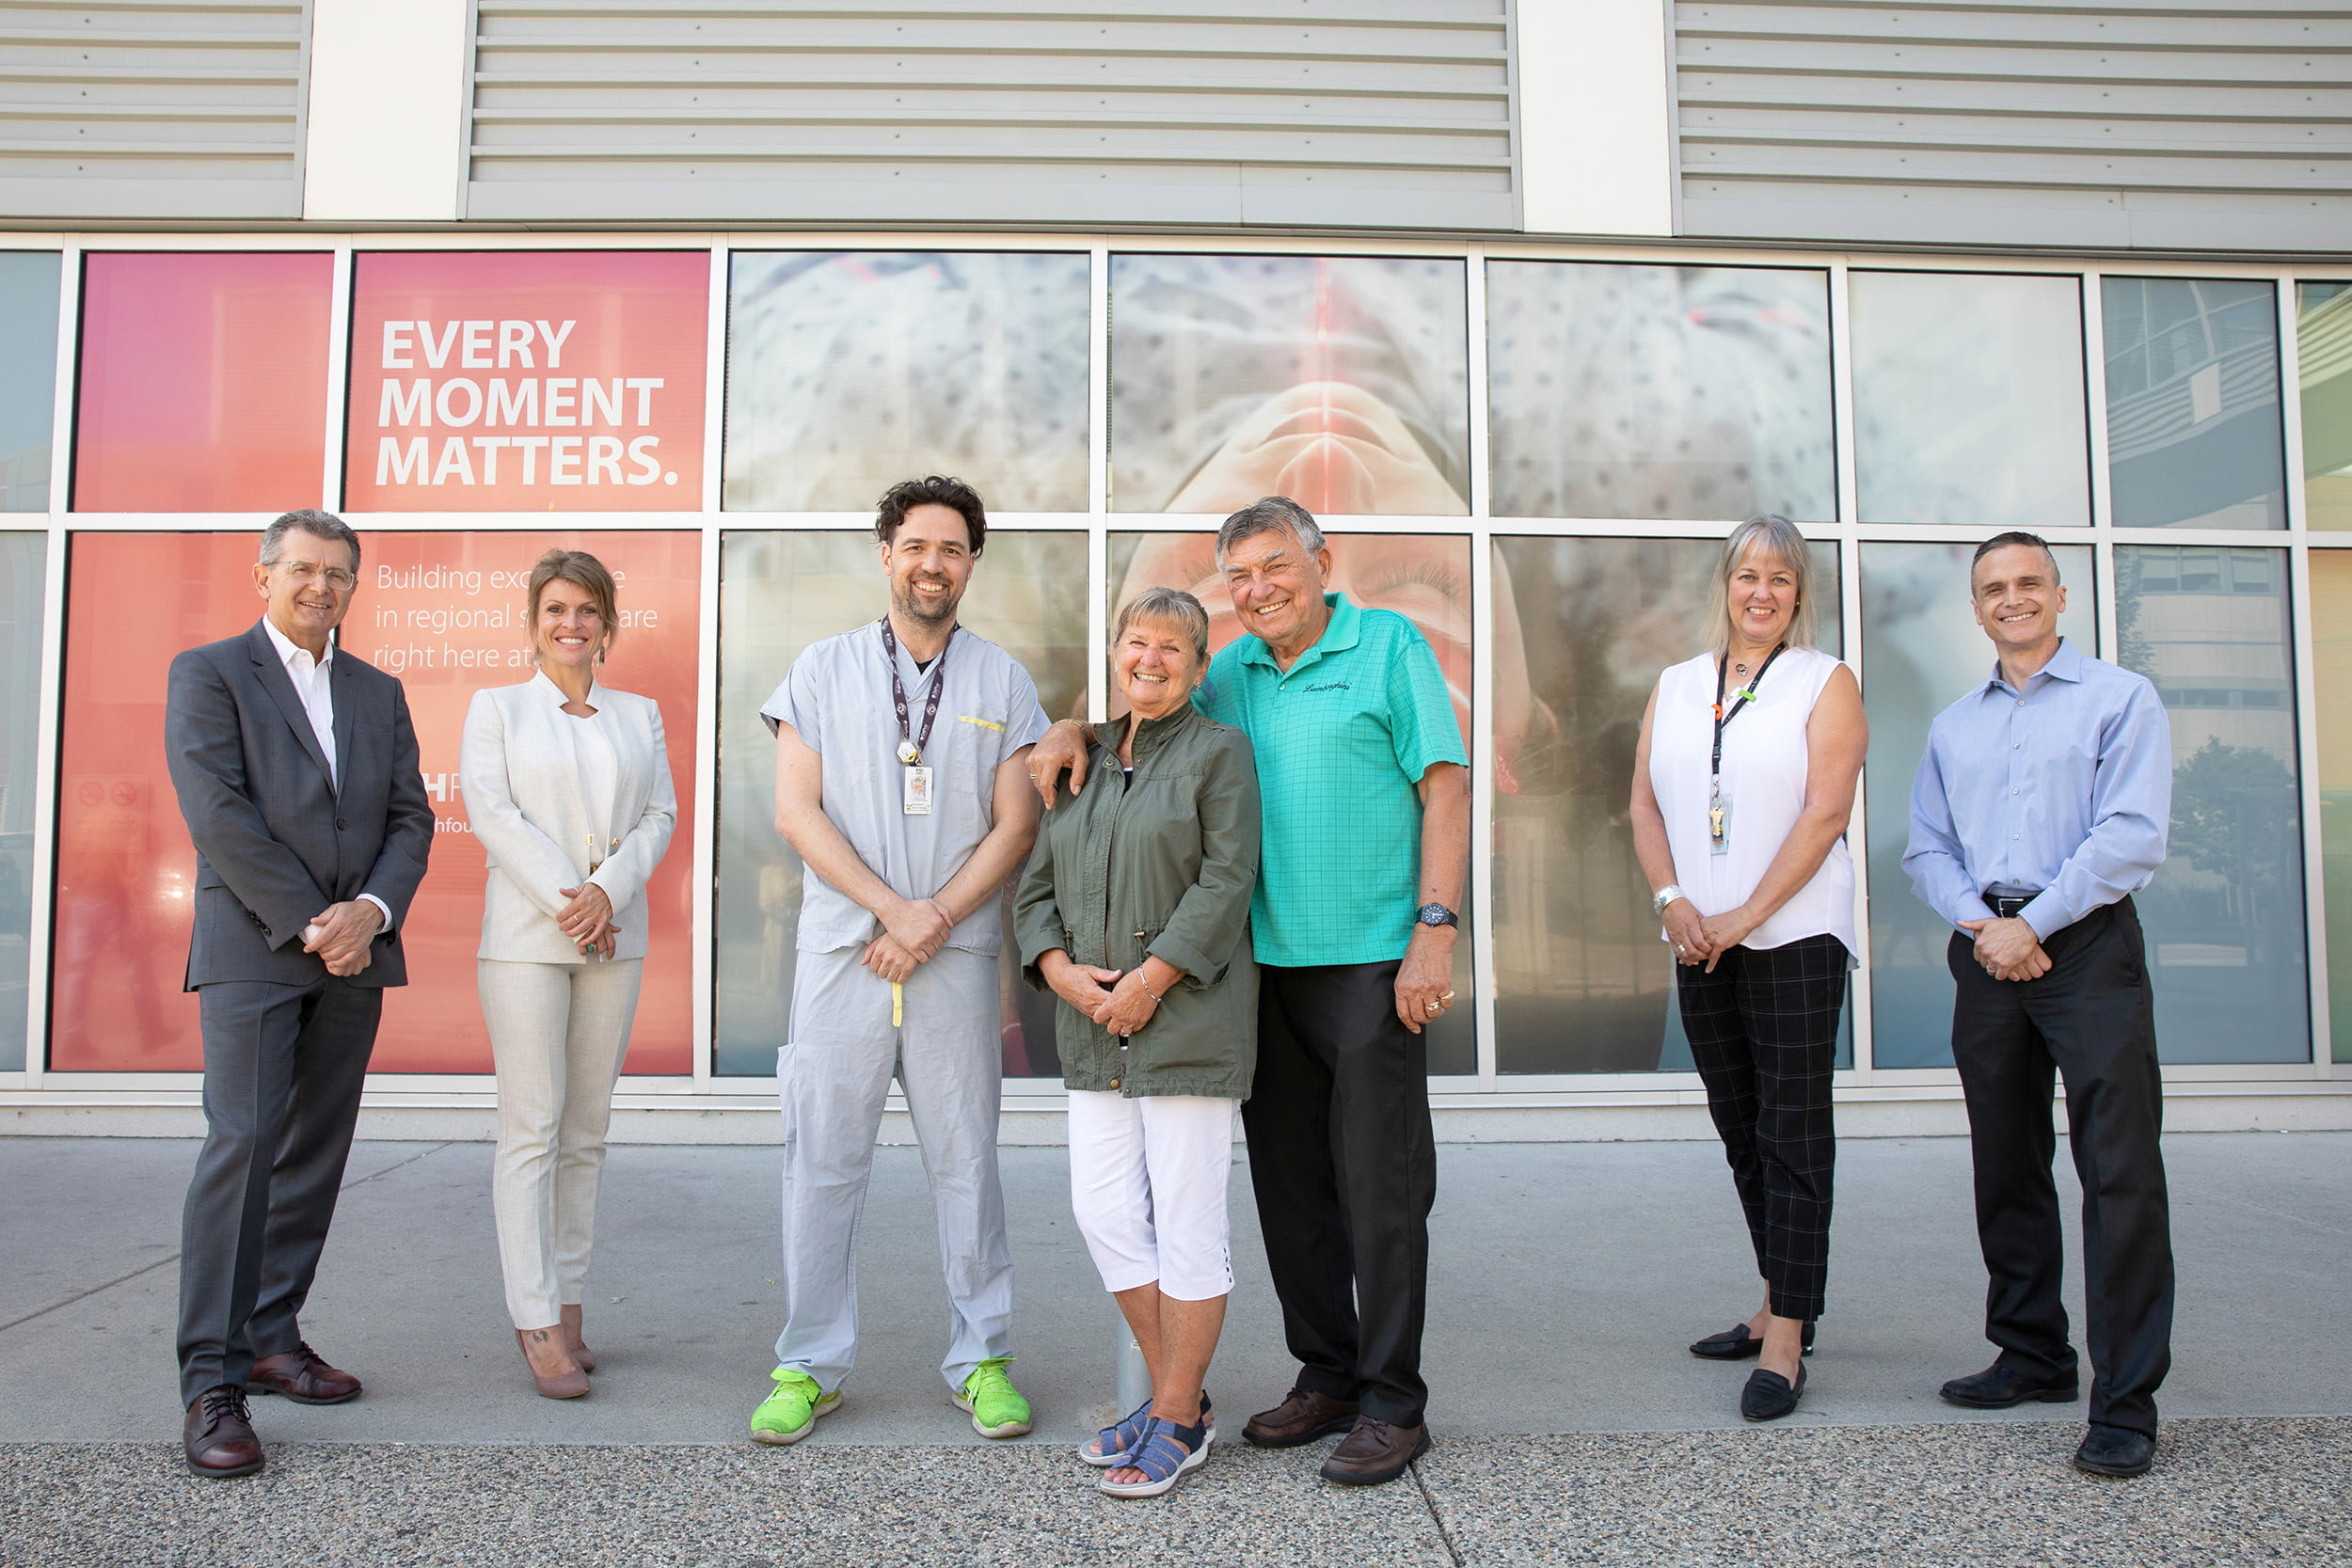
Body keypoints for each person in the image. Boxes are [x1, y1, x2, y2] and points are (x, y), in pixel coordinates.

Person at [1029, 496, 1470, 1487]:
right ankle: (1329, 1372)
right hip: (1255, 970)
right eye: (1241, 576)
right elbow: (1152, 706)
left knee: (1381, 1188)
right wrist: (1070, 725)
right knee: (1290, 1189)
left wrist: (1433, 931)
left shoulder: (1388, 645)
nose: (1260, 588)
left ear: (1321, 562)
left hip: (1367, 960)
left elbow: (1444, 783)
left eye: (1276, 566)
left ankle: (1395, 1400)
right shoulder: (1227, 671)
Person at [750, 475, 1048, 1447]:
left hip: (953, 957)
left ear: (970, 562)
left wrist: (933, 918)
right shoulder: (821, 669)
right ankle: (809, 1362)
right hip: (847, 951)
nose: (933, 563)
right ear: (886, 553)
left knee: (965, 1161)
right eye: (917, 545)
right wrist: (892, 910)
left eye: (953, 548)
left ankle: (982, 1358)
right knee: (823, 1159)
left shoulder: (1001, 680)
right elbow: (797, 811)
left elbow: (1016, 824)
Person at [164, 509, 433, 1478]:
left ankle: (273, 1337)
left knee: (316, 1151)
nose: (322, 587)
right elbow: (217, 813)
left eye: (339, 574)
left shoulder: (376, 689)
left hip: (356, 953)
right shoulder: (209, 673)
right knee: (242, 1146)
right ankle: (212, 1379)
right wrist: (313, 919)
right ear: (264, 574)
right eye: (305, 570)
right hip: (255, 948)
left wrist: (367, 910)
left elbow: (411, 815)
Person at [1904, 531, 2175, 1479]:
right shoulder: (1953, 725)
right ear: (1976, 608)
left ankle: (2126, 1403)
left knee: (2119, 1171)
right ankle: (2031, 1352)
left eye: (2027, 582)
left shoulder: (2119, 699)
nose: (2010, 598)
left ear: (2060, 596)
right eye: (1992, 587)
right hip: (1987, 946)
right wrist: (1985, 924)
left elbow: (2129, 835)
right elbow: (1925, 848)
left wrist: (2038, 924)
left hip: (2087, 943)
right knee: (2006, 1158)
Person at [1014, 587, 1262, 1497]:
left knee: (1190, 1226)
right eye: (1134, 641)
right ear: (1113, 654)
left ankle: (1176, 1412)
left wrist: (1151, 980)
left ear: (1200, 666)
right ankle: (1176, 1401)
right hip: (1092, 1029)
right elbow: (1036, 887)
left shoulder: (1218, 753)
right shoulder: (1077, 761)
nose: (1148, 658)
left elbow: (1228, 880)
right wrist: (1061, 973)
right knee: (1106, 1212)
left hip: (1186, 1021)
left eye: (1171, 646)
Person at [1626, 515, 1867, 1422]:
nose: (1761, 592)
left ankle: (1789, 1337)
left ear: (1799, 593)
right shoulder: (1678, 684)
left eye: (1780, 578)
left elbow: (1825, 812)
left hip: (1793, 937)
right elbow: (1644, 802)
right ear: (1724, 586)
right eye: (1746, 576)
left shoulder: (1823, 681)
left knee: (1792, 1131)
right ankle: (1777, 1291)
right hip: (1697, 938)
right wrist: (1673, 902)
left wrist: (1742, 916)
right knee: (1739, 1124)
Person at [460, 549, 677, 1400]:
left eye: (588, 610)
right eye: (556, 608)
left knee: (585, 1129)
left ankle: (572, 1301)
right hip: (527, 939)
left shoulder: (639, 713)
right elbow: (492, 812)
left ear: (608, 625)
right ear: (534, 620)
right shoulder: (499, 709)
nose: (571, 624)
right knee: (532, 1126)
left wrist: (606, 891)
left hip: (612, 936)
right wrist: (571, 898)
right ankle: (534, 1314)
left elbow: (659, 812)